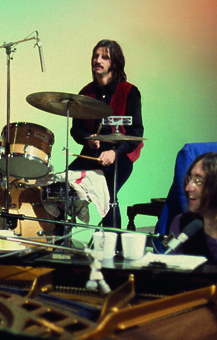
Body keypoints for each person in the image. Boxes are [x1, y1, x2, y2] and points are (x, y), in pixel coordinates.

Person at [69, 39, 144, 228]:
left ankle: (114, 246)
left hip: (120, 155)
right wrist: (88, 140)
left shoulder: (130, 92)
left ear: (115, 63)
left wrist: (115, 153)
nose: (98, 60)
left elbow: (136, 133)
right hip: (91, 154)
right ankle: (63, 239)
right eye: (96, 56)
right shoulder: (85, 93)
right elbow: (76, 130)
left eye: (105, 57)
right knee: (64, 185)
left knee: (108, 191)